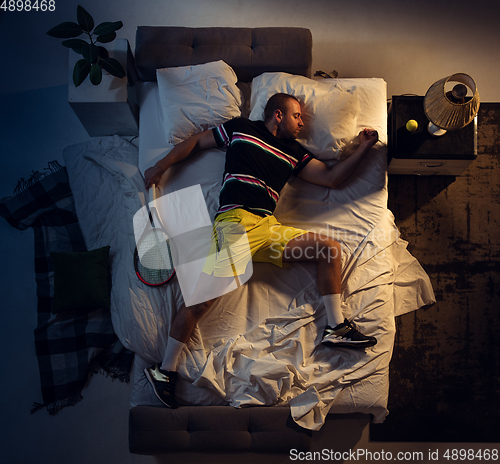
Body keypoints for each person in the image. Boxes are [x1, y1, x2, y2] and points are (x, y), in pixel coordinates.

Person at [143, 93, 379, 408]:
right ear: (278, 115)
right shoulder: (242, 128)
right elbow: (198, 142)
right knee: (200, 303)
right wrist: (161, 166)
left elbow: (332, 179)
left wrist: (364, 148)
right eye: (297, 116)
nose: (302, 123)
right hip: (236, 224)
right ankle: (165, 372)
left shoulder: (294, 152)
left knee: (329, 250)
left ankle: (336, 328)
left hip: (268, 228)